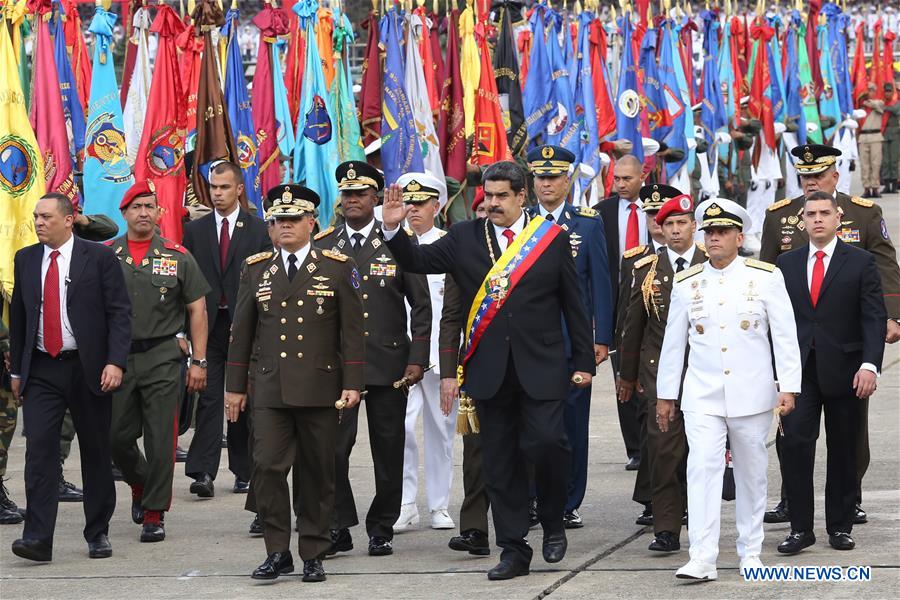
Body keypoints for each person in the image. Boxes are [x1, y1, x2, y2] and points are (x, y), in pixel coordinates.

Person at [381, 161, 595, 581]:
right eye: (488, 196)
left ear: (521, 197)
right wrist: (393, 232)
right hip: (489, 369)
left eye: (501, 196)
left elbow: (574, 302)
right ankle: (514, 548)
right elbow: (416, 260)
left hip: (543, 365)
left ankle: (553, 522)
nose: (492, 203)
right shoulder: (463, 237)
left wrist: (584, 361)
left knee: (549, 443)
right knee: (500, 462)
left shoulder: (550, 239)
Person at [225, 185, 365, 583]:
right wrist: (235, 386)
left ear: (311, 223)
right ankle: (276, 550)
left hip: (321, 388)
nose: (284, 226)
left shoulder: (337, 266)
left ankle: (314, 551)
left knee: (318, 471)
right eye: (277, 221)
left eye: (292, 220)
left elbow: (353, 332)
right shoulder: (256, 268)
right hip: (270, 388)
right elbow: (242, 332)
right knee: (267, 466)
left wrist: (352, 382)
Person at [657, 198, 801, 581]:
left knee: (752, 474)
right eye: (709, 232)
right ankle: (702, 557)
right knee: (702, 470)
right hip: (702, 394)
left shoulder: (765, 276)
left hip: (752, 394)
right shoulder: (689, 283)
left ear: (740, 236)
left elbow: (785, 336)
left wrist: (789, 387)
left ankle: (749, 551)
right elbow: (674, 343)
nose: (714, 238)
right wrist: (666, 395)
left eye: (722, 232)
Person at [759, 143, 900, 525]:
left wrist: (892, 316)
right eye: (804, 177)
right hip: (799, 349)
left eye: (818, 176)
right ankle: (792, 500)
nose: (810, 183)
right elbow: (764, 275)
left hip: (846, 344)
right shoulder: (782, 217)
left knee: (849, 435)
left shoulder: (862, 213)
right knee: (792, 435)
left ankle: (849, 498)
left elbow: (884, 264)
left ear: (834, 177)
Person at [315, 161, 431, 557]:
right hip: (337, 366)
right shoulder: (324, 244)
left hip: (388, 363)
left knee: (389, 448)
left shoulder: (396, 241)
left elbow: (421, 306)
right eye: (346, 194)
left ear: (376, 198)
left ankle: (382, 526)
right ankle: (338, 523)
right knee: (331, 448)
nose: (351, 200)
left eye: (360, 194)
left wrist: (418, 357)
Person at [8, 193, 132, 562]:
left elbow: (120, 313)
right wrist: (18, 369)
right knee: (39, 452)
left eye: (46, 216)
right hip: (44, 368)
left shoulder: (99, 257)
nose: (39, 222)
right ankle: (38, 539)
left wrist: (115, 362)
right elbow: (19, 317)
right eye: (36, 217)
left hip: (89, 366)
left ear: (68, 219)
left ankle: (97, 532)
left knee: (95, 452)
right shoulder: (26, 259)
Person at [775, 191, 886, 555]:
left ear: (838, 217)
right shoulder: (786, 265)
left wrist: (870, 364)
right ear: (802, 220)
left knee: (843, 449)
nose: (818, 219)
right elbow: (775, 322)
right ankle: (800, 528)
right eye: (811, 214)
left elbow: (872, 316)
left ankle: (839, 526)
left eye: (825, 213)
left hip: (846, 370)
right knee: (794, 445)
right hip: (799, 373)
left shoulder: (860, 261)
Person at [107, 181, 211, 542]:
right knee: (116, 438)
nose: (143, 213)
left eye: (150, 206)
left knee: (160, 439)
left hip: (164, 357)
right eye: (136, 207)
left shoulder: (176, 254)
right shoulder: (107, 255)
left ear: (159, 212)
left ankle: (154, 512)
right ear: (124, 214)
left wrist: (199, 361)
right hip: (117, 360)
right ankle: (139, 481)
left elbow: (197, 310)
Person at [527, 145, 613, 528]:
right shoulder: (522, 221)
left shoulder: (587, 223)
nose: (546, 184)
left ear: (567, 181)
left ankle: (568, 501)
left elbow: (601, 284)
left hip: (573, 342)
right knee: (531, 425)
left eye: (553, 177)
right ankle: (531, 497)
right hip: (529, 343)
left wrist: (602, 338)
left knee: (573, 425)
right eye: (540, 177)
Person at [618, 190, 706, 553]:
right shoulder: (646, 269)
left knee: (704, 453)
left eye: (681, 223)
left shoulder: (711, 262)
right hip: (660, 376)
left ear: (694, 226)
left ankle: (702, 523)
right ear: (659, 227)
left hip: (706, 373)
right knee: (664, 451)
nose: (674, 230)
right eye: (668, 224)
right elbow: (632, 326)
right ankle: (666, 528)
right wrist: (627, 375)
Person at [182, 161, 271, 498]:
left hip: (246, 326)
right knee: (207, 396)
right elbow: (184, 285)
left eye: (223, 188)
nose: (217, 193)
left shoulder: (258, 230)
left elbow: (264, 281)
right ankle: (203, 470)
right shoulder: (195, 231)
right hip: (207, 326)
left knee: (241, 398)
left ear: (239, 189)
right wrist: (182, 332)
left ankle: (243, 470)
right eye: (213, 187)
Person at [393, 172, 457, 532]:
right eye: (408, 203)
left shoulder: (449, 246)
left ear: (438, 205)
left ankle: (439, 504)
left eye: (421, 203)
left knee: (441, 429)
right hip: (401, 354)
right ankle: (405, 503)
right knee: (400, 429)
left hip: (438, 356)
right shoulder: (391, 246)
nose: (413, 209)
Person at [614, 185, 668, 527]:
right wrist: (625, 365)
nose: (658, 221)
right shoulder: (635, 259)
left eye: (664, 214)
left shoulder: (701, 256)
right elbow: (627, 316)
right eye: (651, 214)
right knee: (651, 430)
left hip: (688, 358)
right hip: (649, 358)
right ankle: (651, 499)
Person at [593, 155, 647, 470]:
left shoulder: (657, 208)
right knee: (622, 376)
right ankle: (635, 448)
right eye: (617, 179)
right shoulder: (602, 213)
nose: (621, 184)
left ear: (643, 176)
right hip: (616, 306)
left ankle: (655, 438)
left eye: (628, 178)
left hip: (653, 301)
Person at [858, 82, 886, 198]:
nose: (868, 92)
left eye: (870, 90)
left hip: (875, 137)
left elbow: (875, 105)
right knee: (864, 165)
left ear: (875, 91)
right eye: (867, 90)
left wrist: (864, 102)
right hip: (863, 137)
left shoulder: (879, 103)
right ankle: (866, 188)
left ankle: (875, 187)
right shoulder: (860, 106)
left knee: (876, 163)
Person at [881, 82, 899, 194]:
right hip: (885, 133)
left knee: (894, 161)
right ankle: (887, 185)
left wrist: (883, 107)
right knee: (886, 161)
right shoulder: (883, 103)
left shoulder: (896, 103)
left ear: (893, 92)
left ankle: (894, 185)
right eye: (886, 91)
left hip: (896, 134)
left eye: (889, 91)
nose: (887, 93)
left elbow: (895, 110)